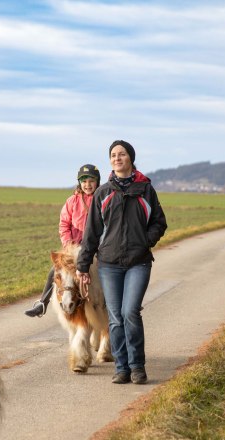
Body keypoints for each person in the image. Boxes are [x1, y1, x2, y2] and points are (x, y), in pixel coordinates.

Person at [76, 140, 167, 385]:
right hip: (109, 263)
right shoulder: (104, 193)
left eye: (122, 154)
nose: (117, 158)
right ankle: (122, 367)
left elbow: (159, 222)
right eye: (113, 155)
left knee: (130, 312)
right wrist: (83, 266)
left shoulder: (146, 189)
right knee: (115, 316)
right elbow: (91, 233)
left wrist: (145, 240)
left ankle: (137, 367)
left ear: (130, 158)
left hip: (138, 262)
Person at [24, 164, 101, 317]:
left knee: (105, 273)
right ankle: (42, 303)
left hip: (96, 248)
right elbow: (64, 224)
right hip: (73, 248)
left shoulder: (102, 199)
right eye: (84, 181)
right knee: (55, 270)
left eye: (91, 181)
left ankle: (106, 306)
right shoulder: (72, 201)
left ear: (97, 181)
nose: (87, 185)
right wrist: (68, 245)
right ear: (79, 182)